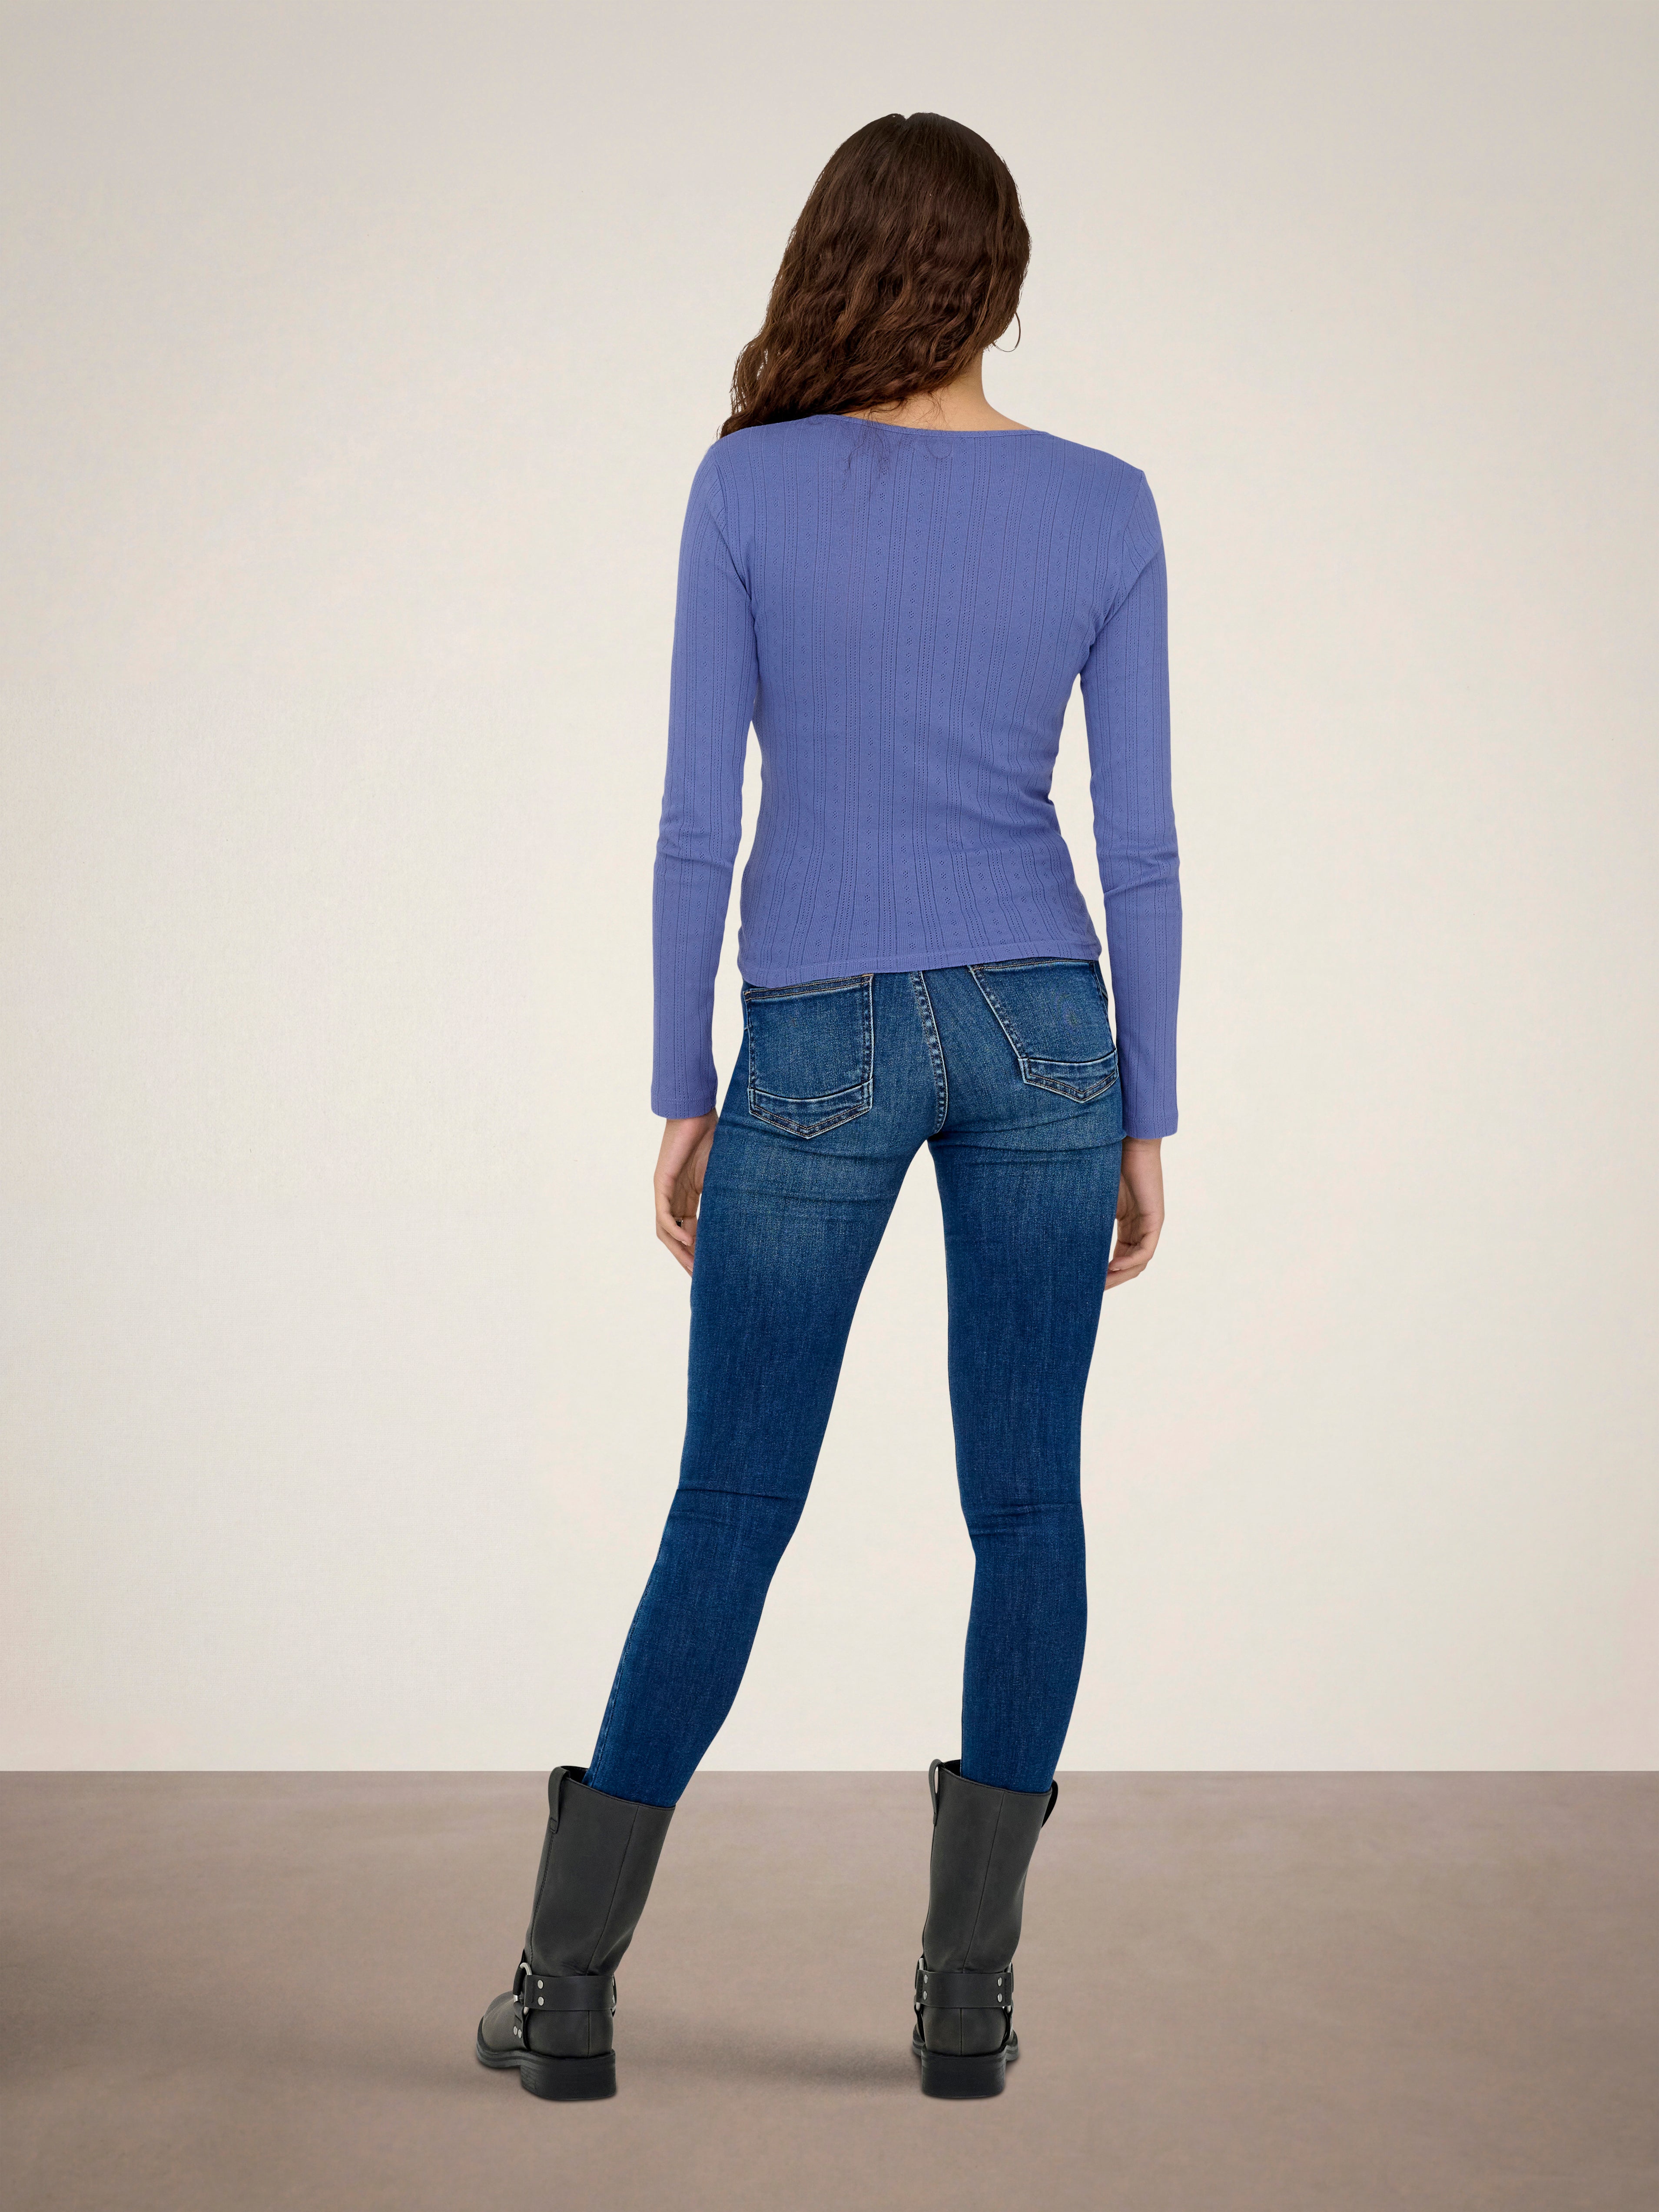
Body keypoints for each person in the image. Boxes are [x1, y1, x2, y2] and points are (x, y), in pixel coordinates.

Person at [476, 110, 1180, 2104]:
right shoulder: (1105, 503)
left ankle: (567, 1989)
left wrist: (680, 1085)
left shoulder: (746, 487)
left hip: (815, 1032)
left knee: (731, 1499)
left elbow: (695, 821)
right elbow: (1139, 841)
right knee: (1028, 1504)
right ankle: (965, 2005)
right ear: (1001, 279)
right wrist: (1148, 1104)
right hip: (1047, 1030)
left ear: (834, 261)